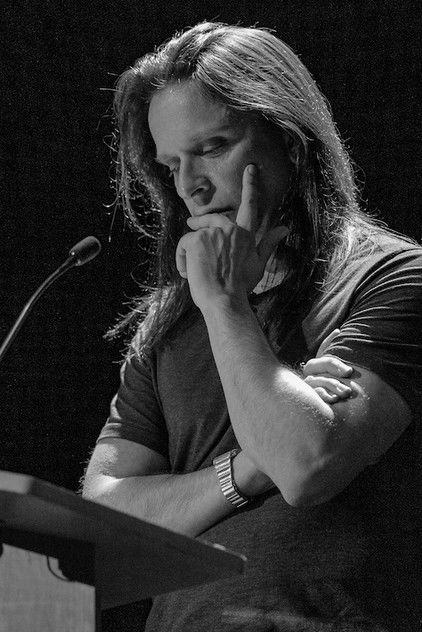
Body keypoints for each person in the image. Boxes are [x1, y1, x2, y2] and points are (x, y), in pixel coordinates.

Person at [82, 22, 422, 631]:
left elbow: (306, 467)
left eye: (212, 147)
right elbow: (104, 533)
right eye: (171, 164)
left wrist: (225, 304)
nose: (189, 185)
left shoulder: (394, 276)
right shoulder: (166, 326)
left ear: (290, 141)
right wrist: (245, 468)